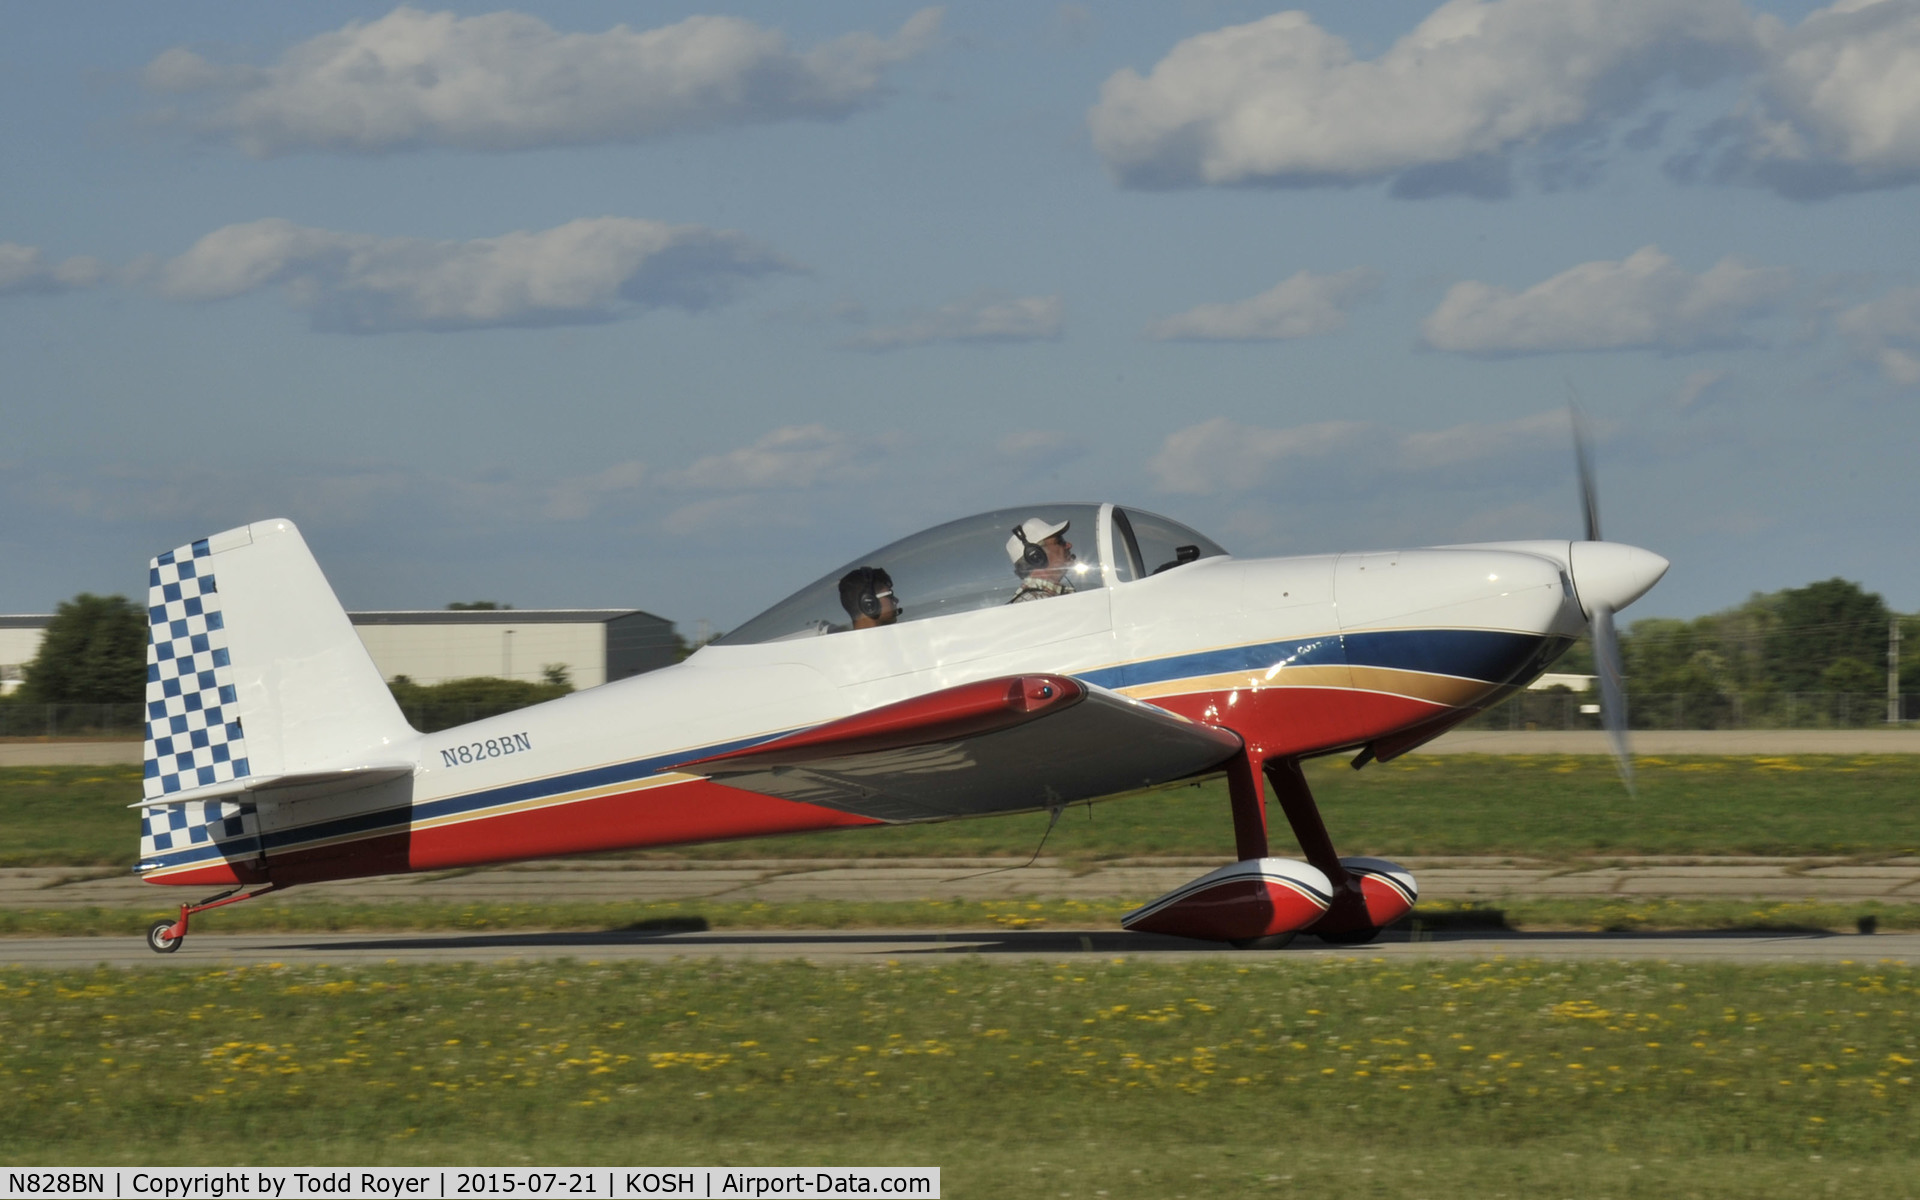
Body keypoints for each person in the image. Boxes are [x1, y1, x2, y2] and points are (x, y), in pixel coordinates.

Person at [1006, 517, 1077, 603]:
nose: (1069, 545)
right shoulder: (1037, 601)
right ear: (1036, 556)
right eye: (1059, 541)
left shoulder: (1043, 598)